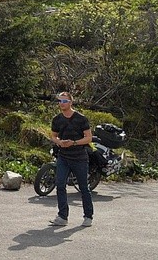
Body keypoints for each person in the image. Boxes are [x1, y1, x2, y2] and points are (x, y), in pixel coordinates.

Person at [49, 91, 94, 227]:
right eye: (59, 101)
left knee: (83, 188)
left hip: (79, 157)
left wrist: (73, 143)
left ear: (70, 102)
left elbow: (88, 138)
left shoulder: (81, 118)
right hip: (63, 156)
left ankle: (88, 216)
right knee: (60, 184)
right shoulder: (57, 119)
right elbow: (53, 136)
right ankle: (63, 216)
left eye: (64, 101)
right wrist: (59, 142)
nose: (61, 104)